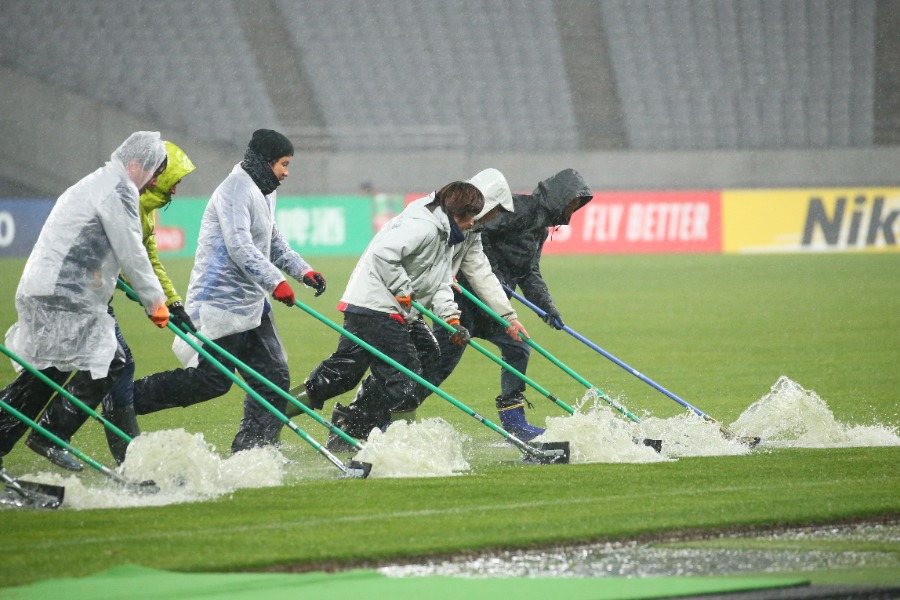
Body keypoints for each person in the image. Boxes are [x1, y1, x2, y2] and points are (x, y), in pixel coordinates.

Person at [130, 129, 327, 454]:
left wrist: (302, 271)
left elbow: (271, 239)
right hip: (219, 306)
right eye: (284, 164)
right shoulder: (235, 191)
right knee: (209, 382)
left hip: (252, 305)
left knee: (274, 378)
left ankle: (253, 450)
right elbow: (240, 246)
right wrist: (275, 281)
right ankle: (127, 399)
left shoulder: (265, 190)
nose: (287, 173)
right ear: (266, 161)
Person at [0, 132, 170, 471]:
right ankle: (50, 433)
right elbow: (132, 250)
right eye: (153, 173)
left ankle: (12, 439)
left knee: (43, 372)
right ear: (136, 164)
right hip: (62, 295)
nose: (153, 183)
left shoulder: (98, 182)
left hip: (47, 289)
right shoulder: (118, 190)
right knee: (110, 361)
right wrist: (155, 301)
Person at [329, 169, 536, 439]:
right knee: (393, 370)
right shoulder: (431, 220)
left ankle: (371, 424)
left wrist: (508, 317)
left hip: (421, 304)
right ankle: (365, 424)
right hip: (388, 304)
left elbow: (479, 270)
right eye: (494, 211)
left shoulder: (470, 229)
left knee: (417, 363)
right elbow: (389, 255)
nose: (494, 218)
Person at [292, 181, 484, 448]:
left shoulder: (445, 233)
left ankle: (352, 425)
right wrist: (403, 290)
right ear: (457, 212)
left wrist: (452, 319)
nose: (472, 223)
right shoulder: (424, 226)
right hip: (375, 306)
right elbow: (384, 254)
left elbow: (440, 281)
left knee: (416, 358)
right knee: (404, 374)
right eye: (471, 216)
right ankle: (401, 445)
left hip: (397, 308)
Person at [470, 168, 593, 437]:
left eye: (577, 206)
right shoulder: (517, 209)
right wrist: (494, 277)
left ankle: (515, 424)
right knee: (438, 364)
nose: (573, 210)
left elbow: (529, 273)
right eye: (571, 203)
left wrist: (547, 308)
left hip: (496, 306)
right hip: (465, 300)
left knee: (518, 348)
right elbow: (480, 234)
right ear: (559, 197)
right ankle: (381, 413)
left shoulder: (539, 228)